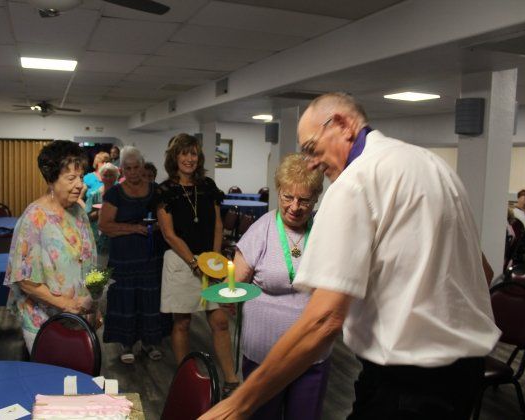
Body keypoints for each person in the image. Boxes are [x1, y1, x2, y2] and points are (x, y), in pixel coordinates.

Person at [200, 92, 500, 420]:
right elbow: (482, 273)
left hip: (407, 382)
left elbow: (324, 320)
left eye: (312, 148)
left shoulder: (356, 182)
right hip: (464, 377)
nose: (312, 163)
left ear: (343, 125)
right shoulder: (434, 166)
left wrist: (239, 404)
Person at [233, 153, 329, 419]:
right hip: (264, 354)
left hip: (311, 351)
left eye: (304, 200)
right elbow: (235, 284)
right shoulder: (261, 230)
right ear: (278, 191)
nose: (295, 207)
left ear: (316, 198)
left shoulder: (325, 231)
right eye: (288, 197)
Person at [155, 133, 240, 398]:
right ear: (174, 157)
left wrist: (212, 261)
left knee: (220, 321)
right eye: (184, 153)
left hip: (208, 261)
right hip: (181, 263)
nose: (189, 159)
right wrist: (194, 262)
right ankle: (187, 378)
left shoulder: (207, 186)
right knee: (182, 323)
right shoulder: (164, 190)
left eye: (193, 154)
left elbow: (218, 225)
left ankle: (231, 378)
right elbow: (169, 234)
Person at [4, 140, 100, 353]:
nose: (80, 185)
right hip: (45, 323)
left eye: (81, 177)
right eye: (71, 178)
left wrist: (94, 306)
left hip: (79, 317)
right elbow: (23, 280)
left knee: (80, 373)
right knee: (52, 374)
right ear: (51, 180)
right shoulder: (34, 218)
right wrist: (68, 305)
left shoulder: (79, 212)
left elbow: (89, 260)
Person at [98, 146, 171, 364]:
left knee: (151, 299)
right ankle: (126, 343)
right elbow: (105, 225)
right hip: (124, 258)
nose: (133, 172)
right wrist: (134, 228)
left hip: (152, 256)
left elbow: (167, 221)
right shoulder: (114, 193)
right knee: (125, 300)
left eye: (136, 167)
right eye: (128, 168)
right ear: (122, 170)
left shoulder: (157, 190)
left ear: (142, 166)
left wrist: (157, 226)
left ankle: (150, 342)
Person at [85, 162, 120, 267]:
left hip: (117, 236)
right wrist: (98, 213)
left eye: (111, 175)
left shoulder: (121, 194)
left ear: (116, 177)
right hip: (98, 238)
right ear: (101, 177)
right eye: (105, 175)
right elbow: (86, 216)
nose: (108, 178)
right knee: (100, 268)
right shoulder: (94, 194)